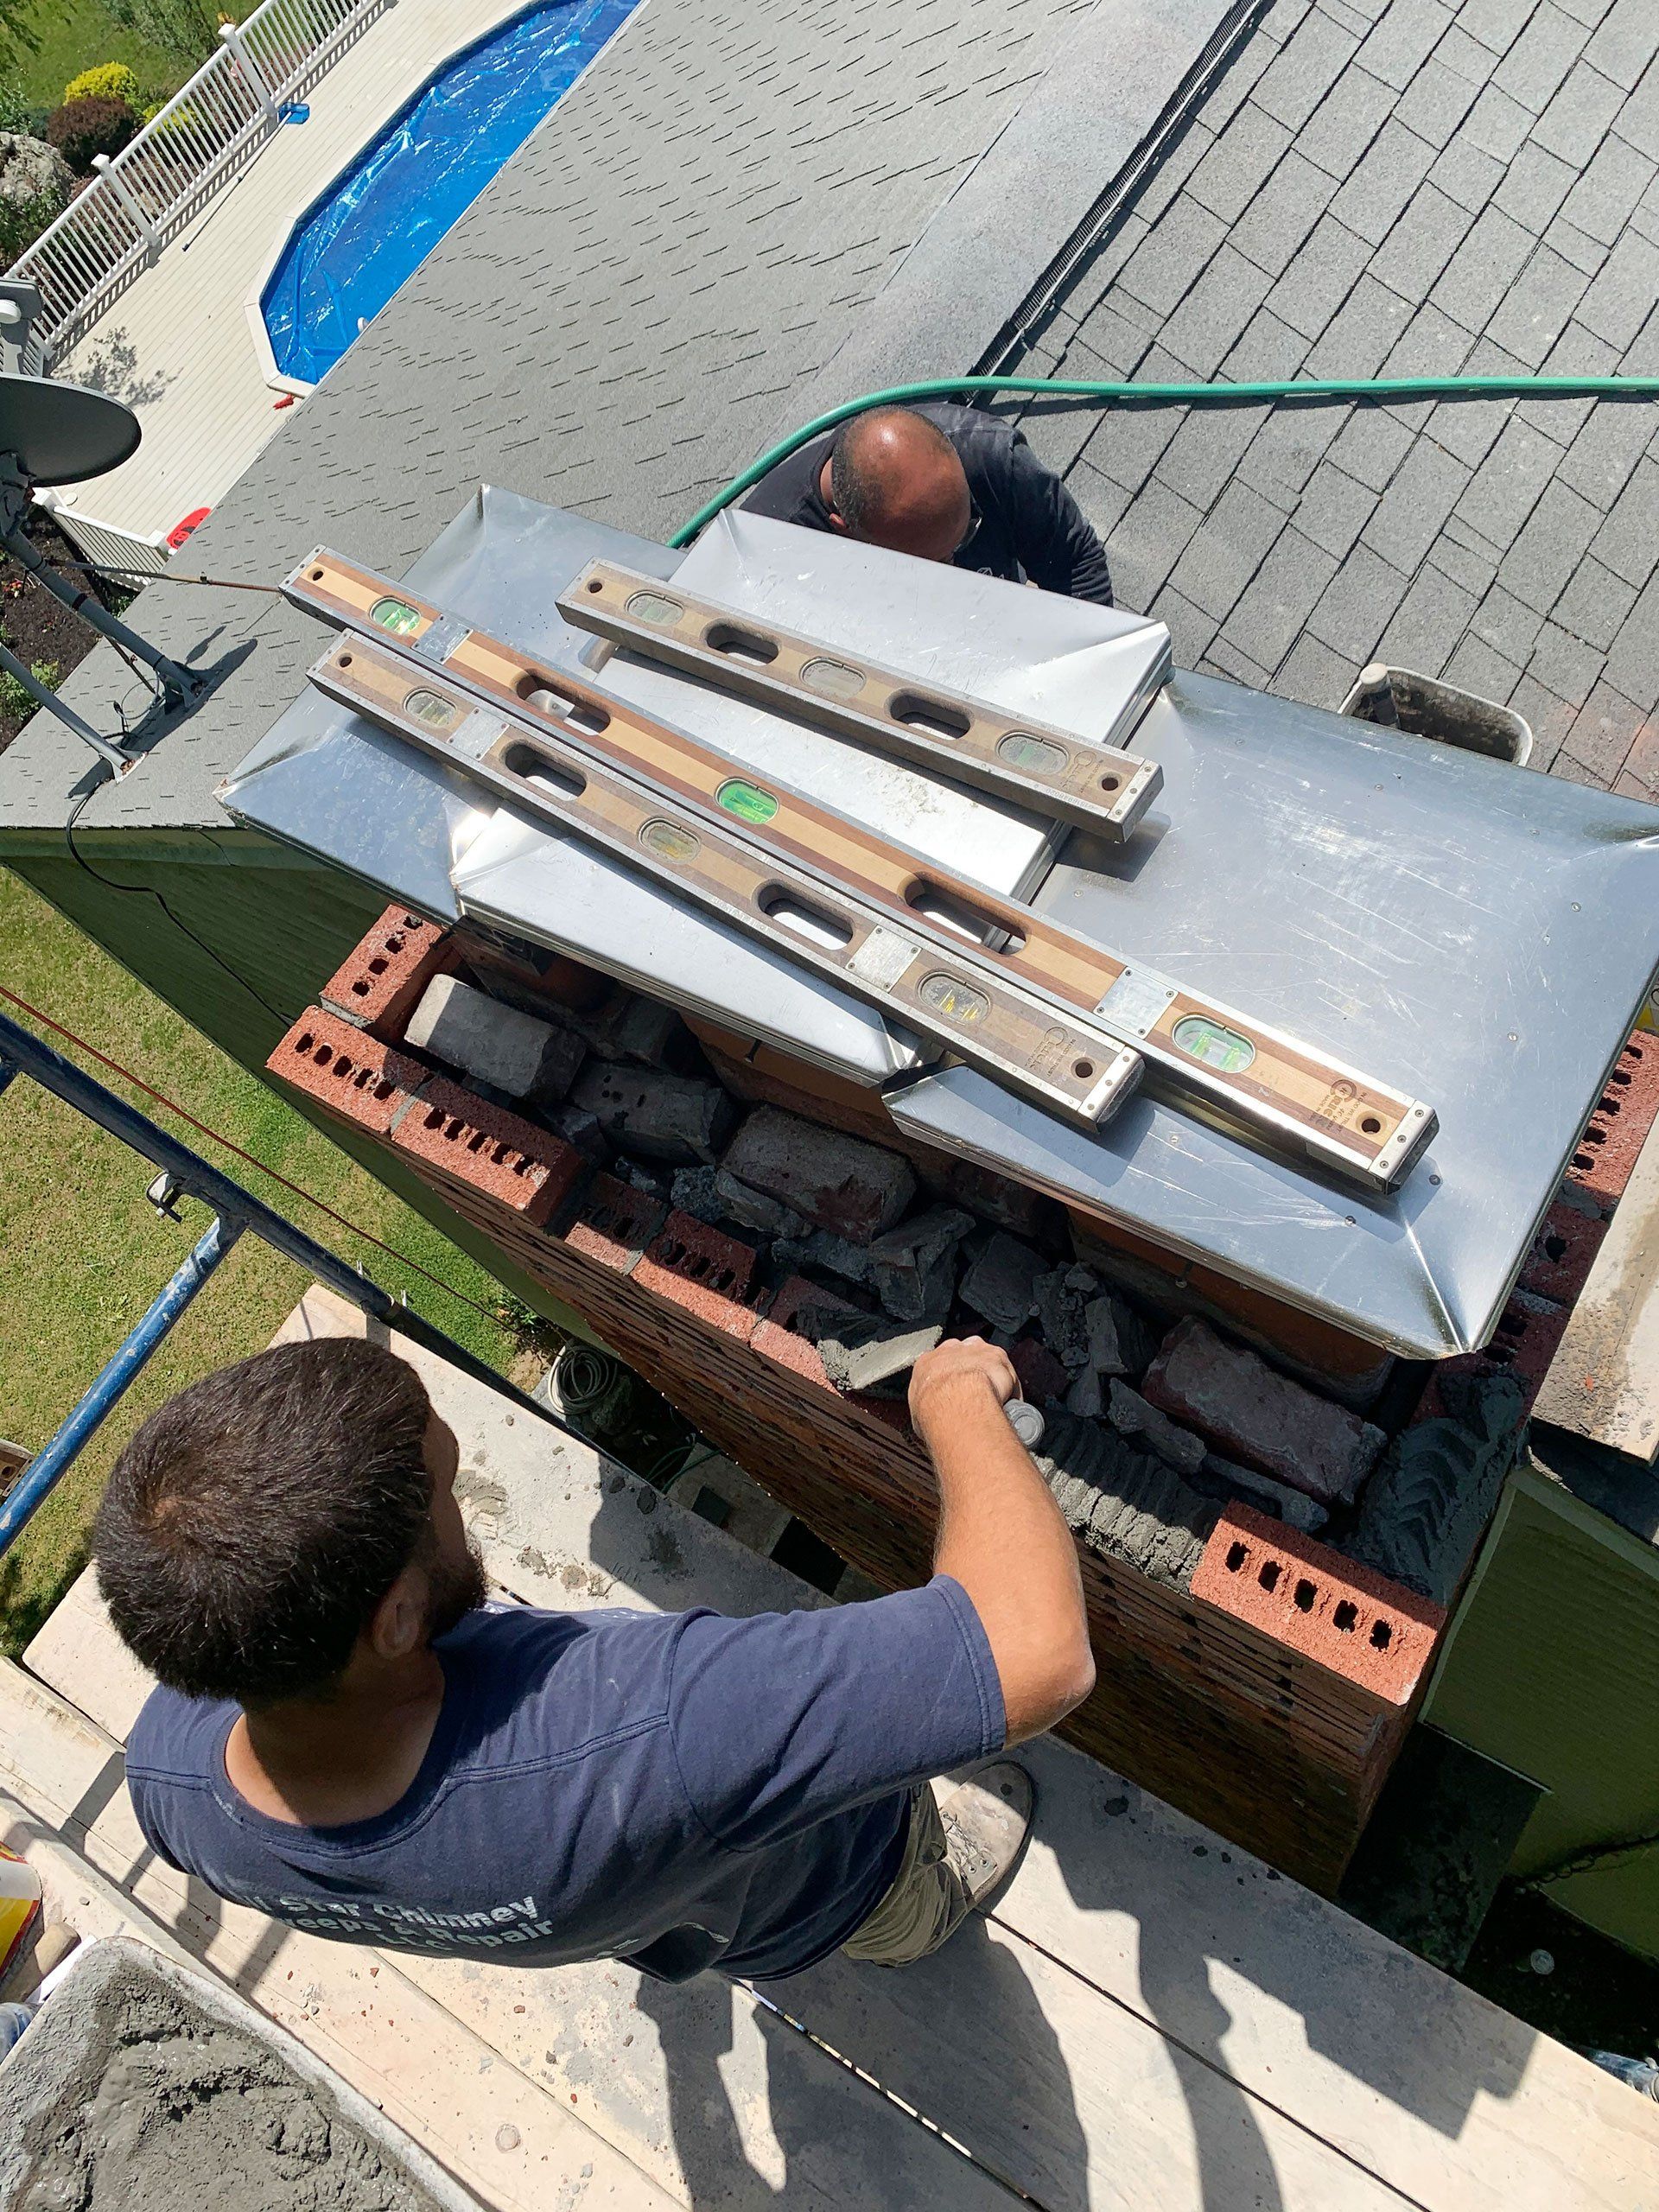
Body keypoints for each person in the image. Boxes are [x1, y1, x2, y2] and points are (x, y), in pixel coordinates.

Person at [96, 1333, 1095, 1981]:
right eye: (448, 1490)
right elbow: (1035, 1649)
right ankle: (925, 1907)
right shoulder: (649, 1730)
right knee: (892, 1887)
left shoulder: (169, 1780)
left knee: (679, 1899)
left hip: (669, 1916)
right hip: (825, 1884)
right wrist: (955, 1399)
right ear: (395, 1617)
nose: (461, 1496)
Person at [742, 400, 1115, 606]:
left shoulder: (992, 457)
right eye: (929, 566)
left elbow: (1076, 562)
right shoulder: (768, 556)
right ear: (846, 533)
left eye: (967, 533)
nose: (956, 576)